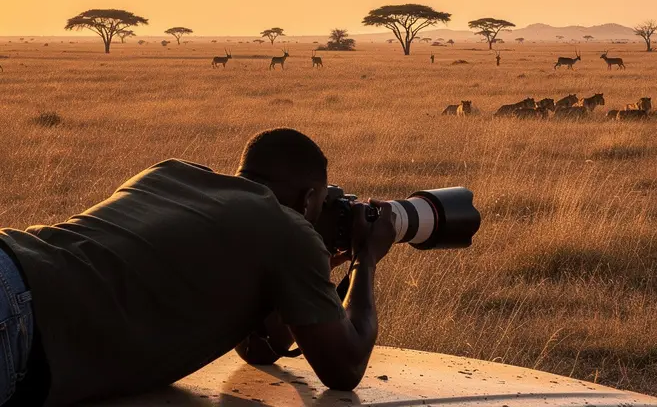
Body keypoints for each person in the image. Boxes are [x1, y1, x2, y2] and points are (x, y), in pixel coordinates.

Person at [0, 128, 395, 406]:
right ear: (310, 198)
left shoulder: (169, 171)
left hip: (13, 260)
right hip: (20, 318)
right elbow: (344, 367)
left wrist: (304, 275)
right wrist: (367, 258)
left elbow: (259, 350)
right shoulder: (287, 228)